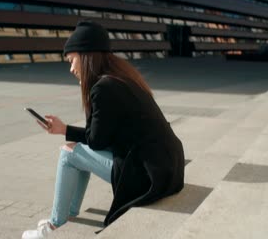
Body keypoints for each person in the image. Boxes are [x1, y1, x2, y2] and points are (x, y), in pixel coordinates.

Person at [22, 21, 185, 239]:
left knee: (67, 154)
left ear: (87, 56)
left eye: (72, 61)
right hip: (167, 168)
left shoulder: (103, 88)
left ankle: (54, 226)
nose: (71, 69)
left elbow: (96, 141)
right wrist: (65, 129)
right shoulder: (122, 78)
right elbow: (102, 137)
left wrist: (87, 94)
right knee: (74, 150)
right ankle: (67, 215)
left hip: (148, 177)